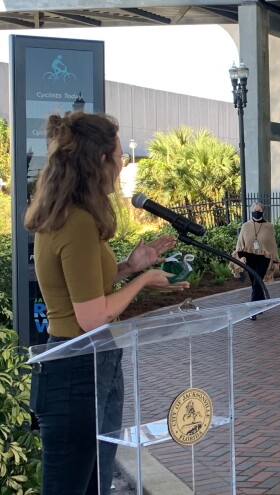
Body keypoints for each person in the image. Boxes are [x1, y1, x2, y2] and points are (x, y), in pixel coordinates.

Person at [25, 111, 188, 495]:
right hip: (76, 370)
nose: (121, 163)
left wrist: (131, 266)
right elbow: (93, 316)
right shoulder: (75, 222)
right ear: (99, 161)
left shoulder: (71, 217)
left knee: (92, 485)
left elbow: (84, 289)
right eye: (118, 155)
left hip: (89, 365)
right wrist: (145, 280)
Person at [232, 202, 280, 319]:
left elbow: (272, 245)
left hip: (263, 258)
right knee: (255, 282)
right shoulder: (246, 226)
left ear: (263, 212)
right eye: (255, 210)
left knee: (258, 280)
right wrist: (241, 257)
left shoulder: (269, 226)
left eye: (259, 211)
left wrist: (275, 260)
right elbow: (240, 244)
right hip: (249, 258)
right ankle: (260, 304)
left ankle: (252, 310)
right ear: (251, 211)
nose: (257, 213)